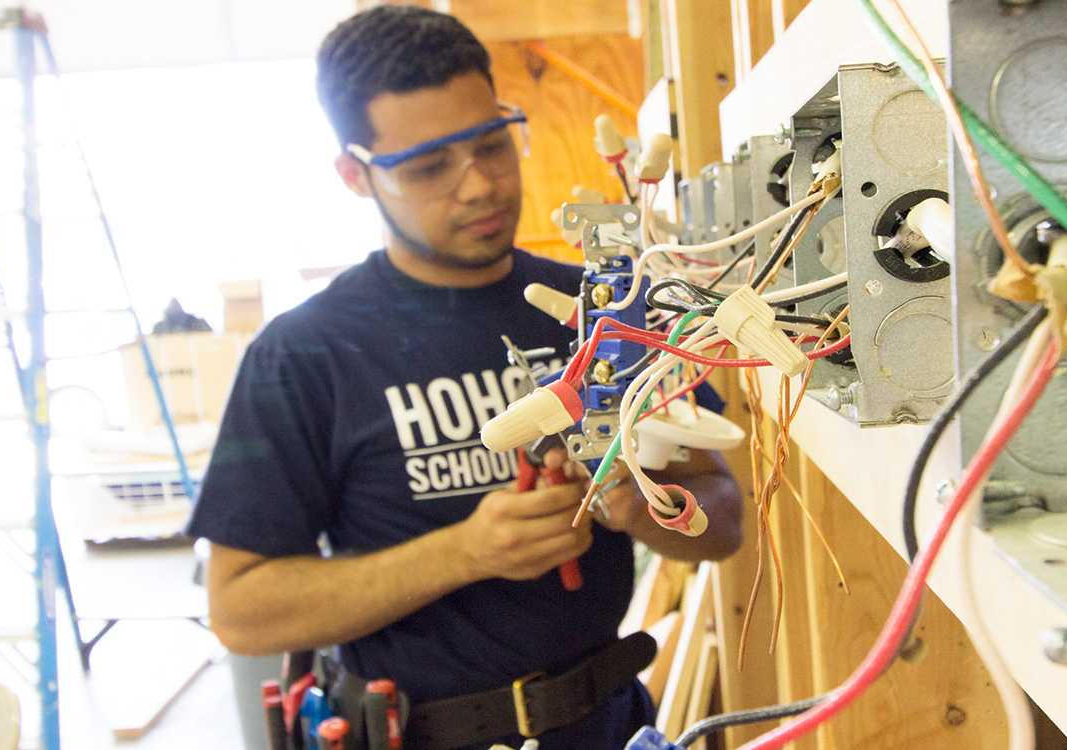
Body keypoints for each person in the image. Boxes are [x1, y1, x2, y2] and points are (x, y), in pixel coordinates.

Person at [186, 6, 743, 750]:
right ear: (356, 175)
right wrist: (462, 553)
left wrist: (647, 509)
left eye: (491, 144)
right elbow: (241, 610)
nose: (479, 185)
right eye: (427, 168)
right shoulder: (303, 354)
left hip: (608, 727)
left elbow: (723, 515)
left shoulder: (606, 309)